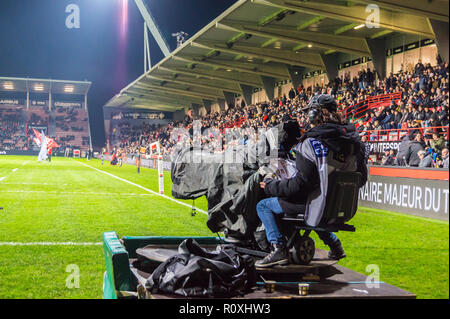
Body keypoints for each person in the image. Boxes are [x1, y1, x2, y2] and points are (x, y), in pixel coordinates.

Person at [255, 94, 368, 268]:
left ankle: (279, 249)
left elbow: (300, 186)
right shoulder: (356, 144)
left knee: (264, 205)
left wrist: (272, 186)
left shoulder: (310, 144)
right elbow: (361, 179)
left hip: (318, 207)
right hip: (339, 208)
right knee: (315, 202)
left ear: (313, 115)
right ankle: (335, 245)